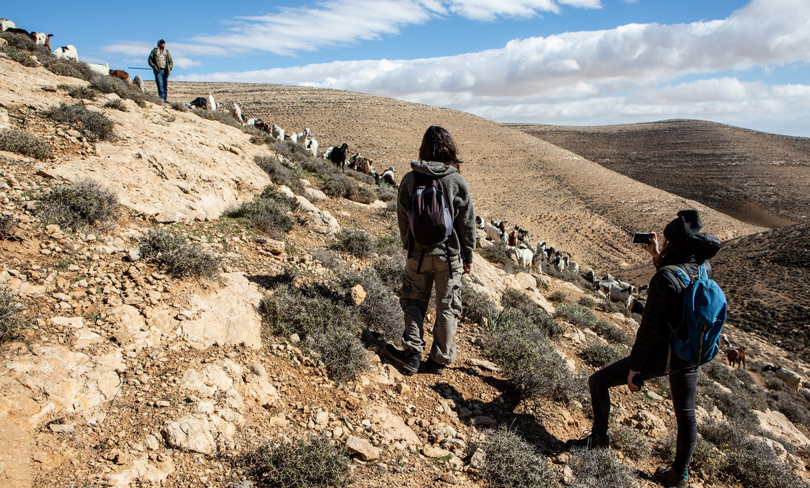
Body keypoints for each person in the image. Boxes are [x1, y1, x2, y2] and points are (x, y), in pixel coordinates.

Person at [565, 209, 721, 488]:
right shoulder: (702, 266)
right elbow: (678, 285)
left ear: (673, 242)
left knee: (598, 382)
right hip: (692, 351)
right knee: (686, 412)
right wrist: (656, 255)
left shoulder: (664, 278)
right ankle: (679, 475)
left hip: (665, 354)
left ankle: (599, 438)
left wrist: (635, 370)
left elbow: (650, 331)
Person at [383, 126, 476, 376]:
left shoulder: (410, 179)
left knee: (414, 301)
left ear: (423, 148)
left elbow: (403, 216)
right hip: (449, 256)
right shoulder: (455, 180)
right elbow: (466, 222)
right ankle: (438, 361)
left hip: (418, 255)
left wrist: (409, 245)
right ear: (449, 148)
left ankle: (412, 353)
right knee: (448, 307)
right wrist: (467, 256)